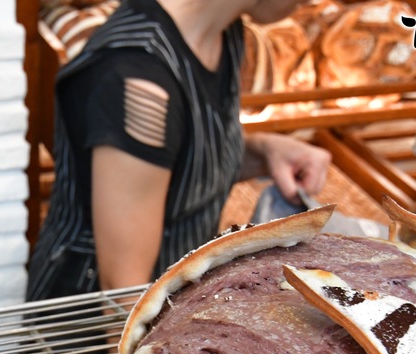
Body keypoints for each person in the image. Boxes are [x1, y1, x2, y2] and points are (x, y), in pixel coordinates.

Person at [26, 0, 332, 301]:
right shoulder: (138, 80)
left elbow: (181, 168)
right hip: (91, 314)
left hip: (180, 291)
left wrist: (263, 151)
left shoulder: (223, 32)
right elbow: (123, 295)